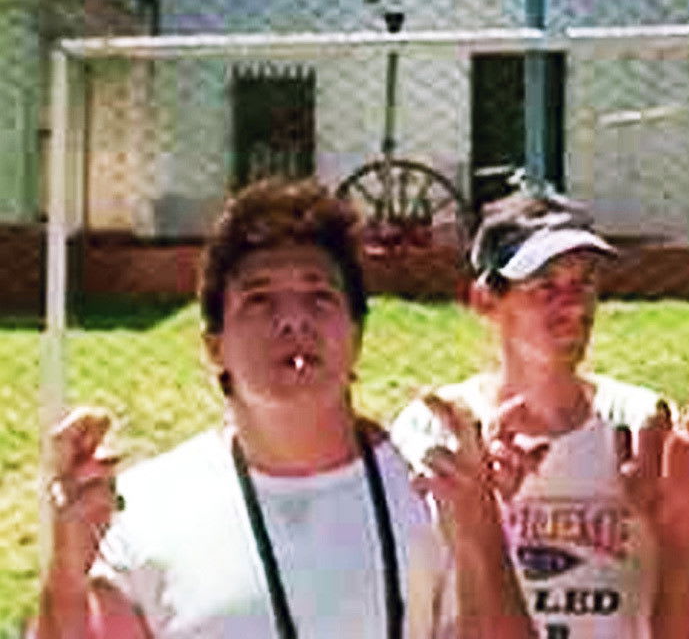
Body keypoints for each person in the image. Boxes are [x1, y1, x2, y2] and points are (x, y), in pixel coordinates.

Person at [34, 179, 533, 639]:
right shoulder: (145, 512)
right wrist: (66, 576)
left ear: (357, 334)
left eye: (319, 297)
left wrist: (481, 534)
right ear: (214, 346)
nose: (293, 320)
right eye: (260, 300)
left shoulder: (434, 497)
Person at [390, 187, 689, 639]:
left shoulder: (639, 426)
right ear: (485, 300)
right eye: (545, 286)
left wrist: (677, 519)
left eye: (584, 283)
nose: (574, 306)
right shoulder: (437, 432)